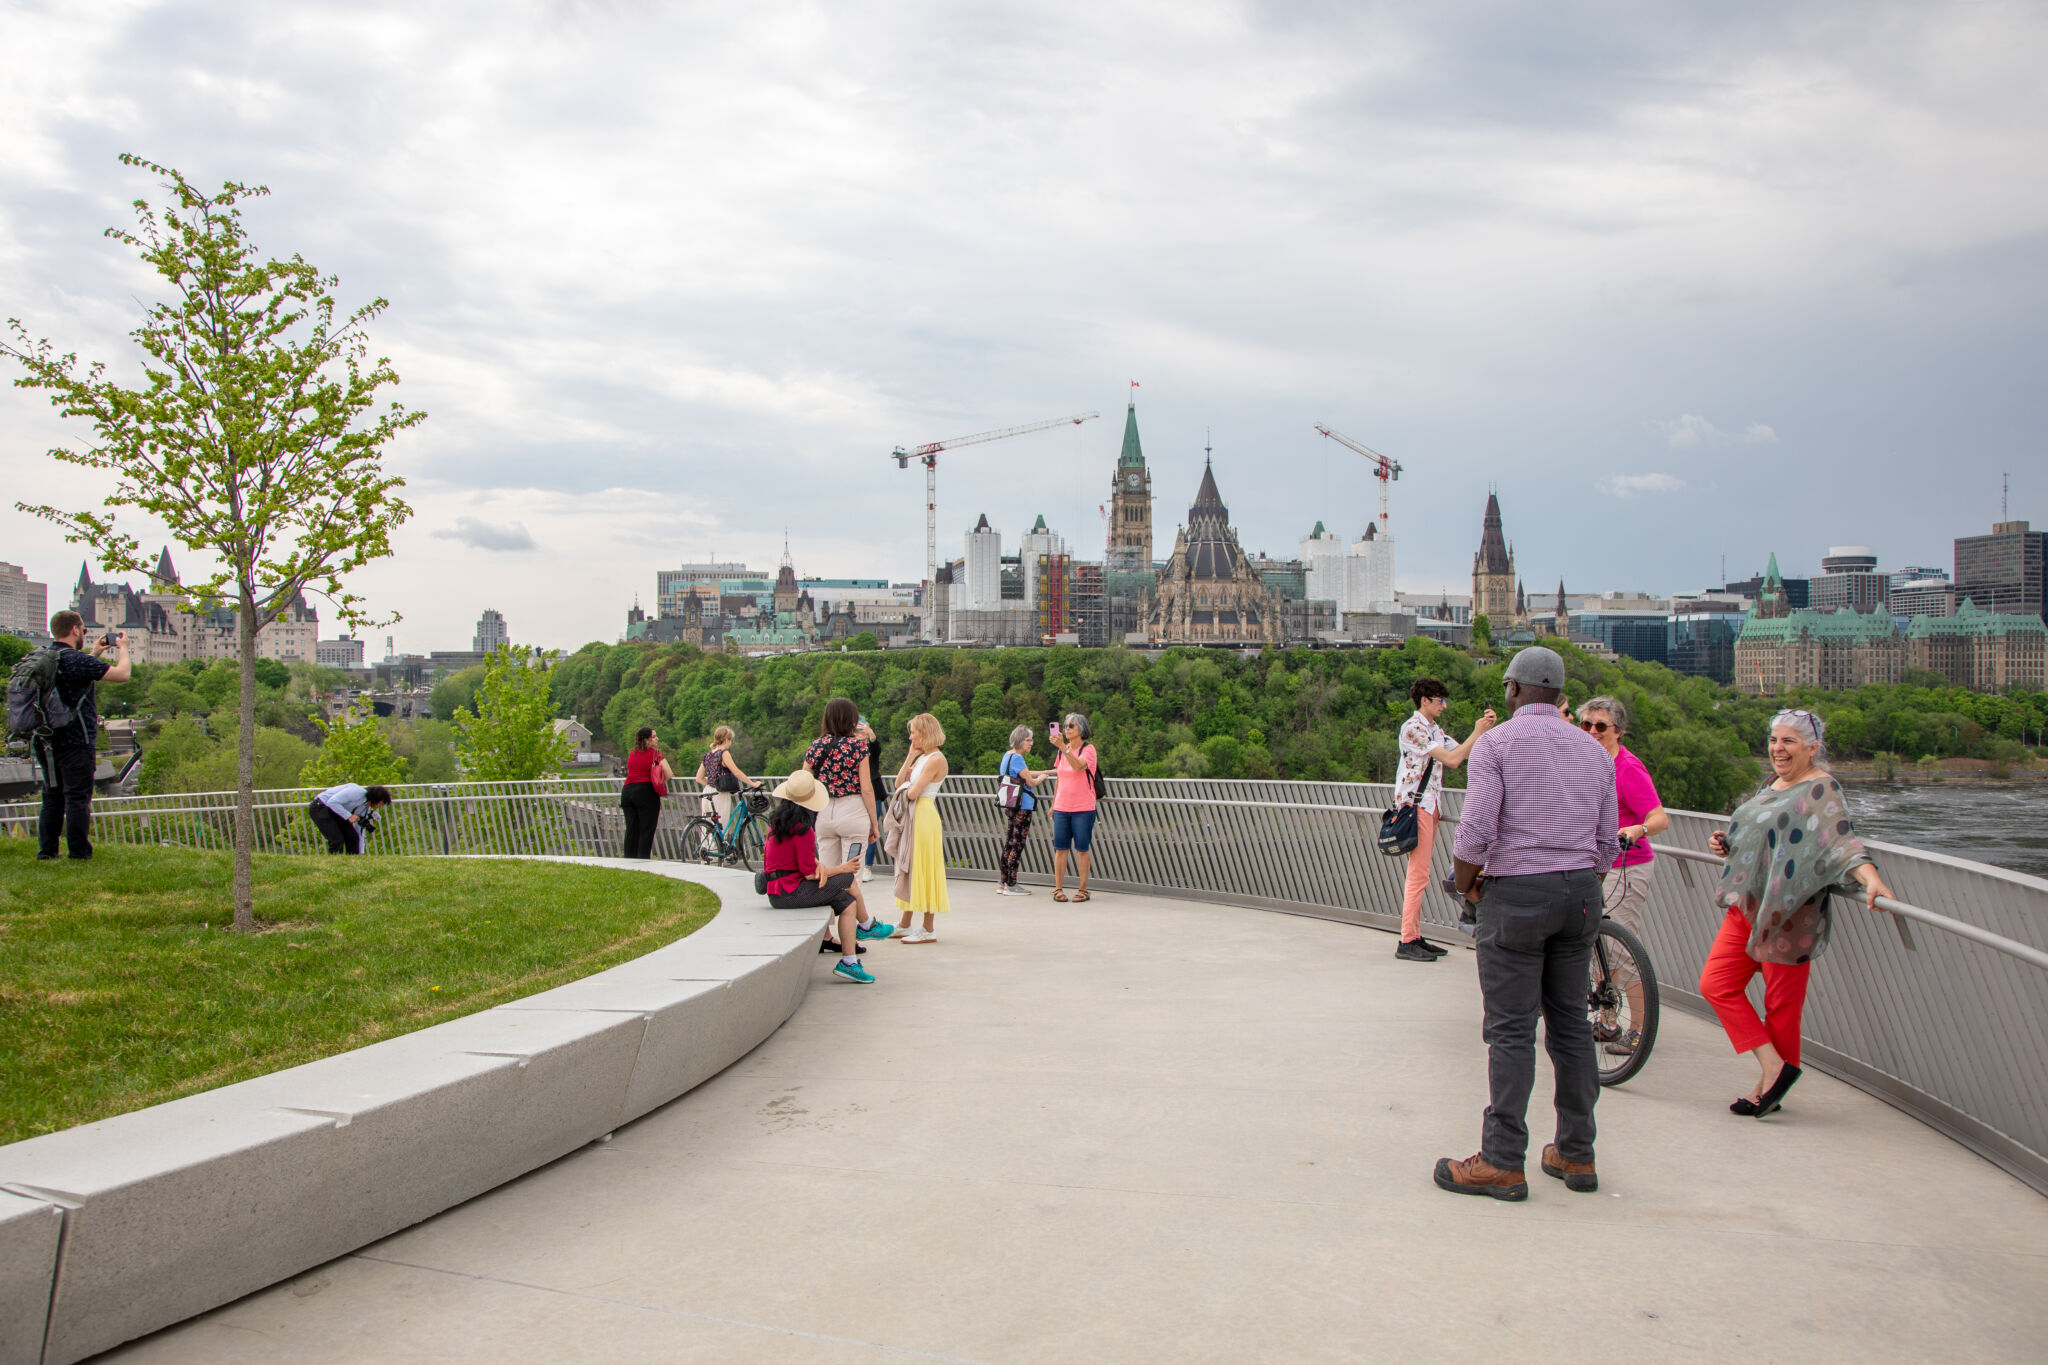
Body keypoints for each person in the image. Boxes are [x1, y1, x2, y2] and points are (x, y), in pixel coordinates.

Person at [1437, 646, 1617, 1202]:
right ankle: (1576, 1152)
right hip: (1581, 894)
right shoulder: (1593, 751)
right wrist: (1577, 879)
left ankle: (1501, 1161)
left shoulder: (1496, 743)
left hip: (1516, 896)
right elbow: (1608, 843)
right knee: (1569, 1025)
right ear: (1561, 697)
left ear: (1513, 689)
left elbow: (1474, 834)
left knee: (1511, 1029)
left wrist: (1465, 882)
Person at [1704, 709, 1892, 1119]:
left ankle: (1768, 1091)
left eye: (1788, 741)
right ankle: (1776, 1067)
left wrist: (1870, 878)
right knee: (1716, 984)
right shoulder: (1771, 784)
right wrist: (1726, 844)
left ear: (1812, 747)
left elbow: (1842, 843)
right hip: (1749, 907)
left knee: (1782, 1007)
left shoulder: (1820, 790)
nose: (1778, 749)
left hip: (1790, 914)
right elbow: (1757, 833)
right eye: (1774, 740)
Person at [1577, 696, 1667, 1056]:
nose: (1592, 732)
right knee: (1599, 949)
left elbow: (1660, 817)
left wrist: (1636, 830)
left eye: (1600, 726)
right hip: (1595, 865)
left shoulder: (1627, 767)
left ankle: (1638, 1030)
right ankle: (1608, 1022)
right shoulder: (1586, 762)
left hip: (1628, 864)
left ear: (1618, 730)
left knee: (1620, 949)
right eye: (1586, 725)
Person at [1392, 679, 1496, 961]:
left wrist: (1485, 732)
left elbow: (1463, 752)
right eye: (1440, 700)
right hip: (1417, 806)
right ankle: (1407, 939)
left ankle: (1413, 935)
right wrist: (1477, 731)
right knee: (1418, 874)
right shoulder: (1412, 729)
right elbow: (1451, 760)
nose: (1444, 705)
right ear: (1424, 700)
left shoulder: (1434, 730)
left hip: (1429, 805)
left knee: (1420, 873)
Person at [763, 768, 891, 984]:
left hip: (779, 890)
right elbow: (810, 873)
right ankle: (866, 926)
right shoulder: (803, 829)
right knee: (847, 879)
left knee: (846, 901)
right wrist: (841, 868)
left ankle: (850, 961)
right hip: (790, 892)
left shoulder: (778, 823)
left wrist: (820, 865)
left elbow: (794, 861)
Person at [36, 612, 131, 861]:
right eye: (84, 630)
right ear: (76, 630)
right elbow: (122, 674)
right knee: (77, 798)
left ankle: (46, 852)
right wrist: (123, 648)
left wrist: (95, 653)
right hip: (76, 741)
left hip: (45, 741)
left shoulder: (44, 658)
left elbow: (73, 675)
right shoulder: (77, 661)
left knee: (52, 796)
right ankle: (78, 853)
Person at [890, 712, 951, 942]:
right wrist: (910, 756)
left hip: (923, 815)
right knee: (912, 867)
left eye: (913, 732)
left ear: (923, 733)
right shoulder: (923, 758)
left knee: (924, 867)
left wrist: (907, 785)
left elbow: (913, 792)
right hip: (915, 814)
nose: (910, 737)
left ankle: (928, 928)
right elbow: (898, 784)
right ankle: (905, 923)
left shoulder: (936, 759)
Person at [804, 697, 881, 876]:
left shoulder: (815, 746)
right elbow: (867, 789)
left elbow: (804, 782)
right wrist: (874, 824)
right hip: (853, 812)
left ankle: (832, 903)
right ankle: (851, 904)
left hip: (824, 812)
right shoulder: (858, 747)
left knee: (828, 874)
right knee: (852, 877)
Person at [995, 724, 1052, 896]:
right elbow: (1030, 782)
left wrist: (1043, 770)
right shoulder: (1019, 758)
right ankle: (1012, 885)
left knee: (1009, 842)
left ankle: (1003, 882)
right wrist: (1044, 776)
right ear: (1020, 740)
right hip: (1022, 806)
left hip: (1011, 804)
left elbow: (1023, 773)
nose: (1031, 743)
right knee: (1017, 843)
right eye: (1028, 740)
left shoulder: (1008, 755)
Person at [1048, 712, 1098, 902]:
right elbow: (1059, 778)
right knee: (1060, 849)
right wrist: (1053, 805)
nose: (1066, 728)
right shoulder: (1063, 750)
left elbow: (1079, 767)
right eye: (1065, 725)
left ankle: (1083, 889)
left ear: (1081, 729)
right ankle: (1058, 889)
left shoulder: (1088, 749)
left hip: (1083, 807)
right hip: (1062, 807)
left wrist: (1062, 747)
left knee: (1082, 849)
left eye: (1071, 725)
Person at [620, 726, 673, 859]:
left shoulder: (633, 753)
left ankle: (628, 861)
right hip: (645, 792)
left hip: (627, 791)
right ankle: (643, 861)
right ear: (647, 740)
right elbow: (669, 773)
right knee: (646, 829)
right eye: (654, 736)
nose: (657, 739)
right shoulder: (656, 754)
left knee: (631, 829)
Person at [694, 726, 754, 828]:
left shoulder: (708, 755)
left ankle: (706, 845)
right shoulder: (724, 753)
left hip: (707, 792)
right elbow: (736, 772)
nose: (731, 743)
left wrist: (711, 783)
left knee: (707, 829)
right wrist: (753, 783)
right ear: (726, 740)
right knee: (720, 828)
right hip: (720, 794)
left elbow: (698, 778)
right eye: (731, 740)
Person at [310, 782, 394, 855]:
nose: (381, 806)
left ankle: (352, 863)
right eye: (382, 803)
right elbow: (332, 802)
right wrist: (349, 816)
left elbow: (360, 831)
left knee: (353, 838)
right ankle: (335, 865)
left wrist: (360, 852)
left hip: (335, 811)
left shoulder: (365, 808)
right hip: (320, 806)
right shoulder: (357, 792)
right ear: (377, 799)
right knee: (337, 839)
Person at [856, 716, 884, 882]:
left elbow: (876, 748)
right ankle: (855, 865)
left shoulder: (870, 750)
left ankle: (867, 867)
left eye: (863, 730)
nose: (862, 734)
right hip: (856, 795)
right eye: (858, 731)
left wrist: (871, 735)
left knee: (872, 830)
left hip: (874, 793)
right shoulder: (849, 750)